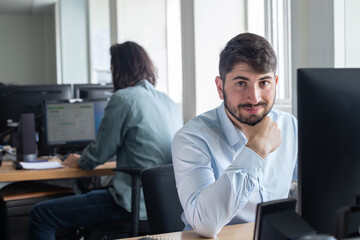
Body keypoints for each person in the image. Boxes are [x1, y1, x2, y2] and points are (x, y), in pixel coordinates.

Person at [28, 41, 183, 240]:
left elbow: (98, 154)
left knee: (41, 214)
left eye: (112, 68)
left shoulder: (124, 98)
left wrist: (79, 159)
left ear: (119, 69)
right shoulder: (168, 102)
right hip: (164, 205)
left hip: (132, 204)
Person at [171, 32, 297, 237]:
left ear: (275, 83)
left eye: (264, 83)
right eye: (241, 83)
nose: (254, 97)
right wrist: (256, 148)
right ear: (220, 88)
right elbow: (206, 224)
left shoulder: (289, 125)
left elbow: (323, 183)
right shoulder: (191, 138)